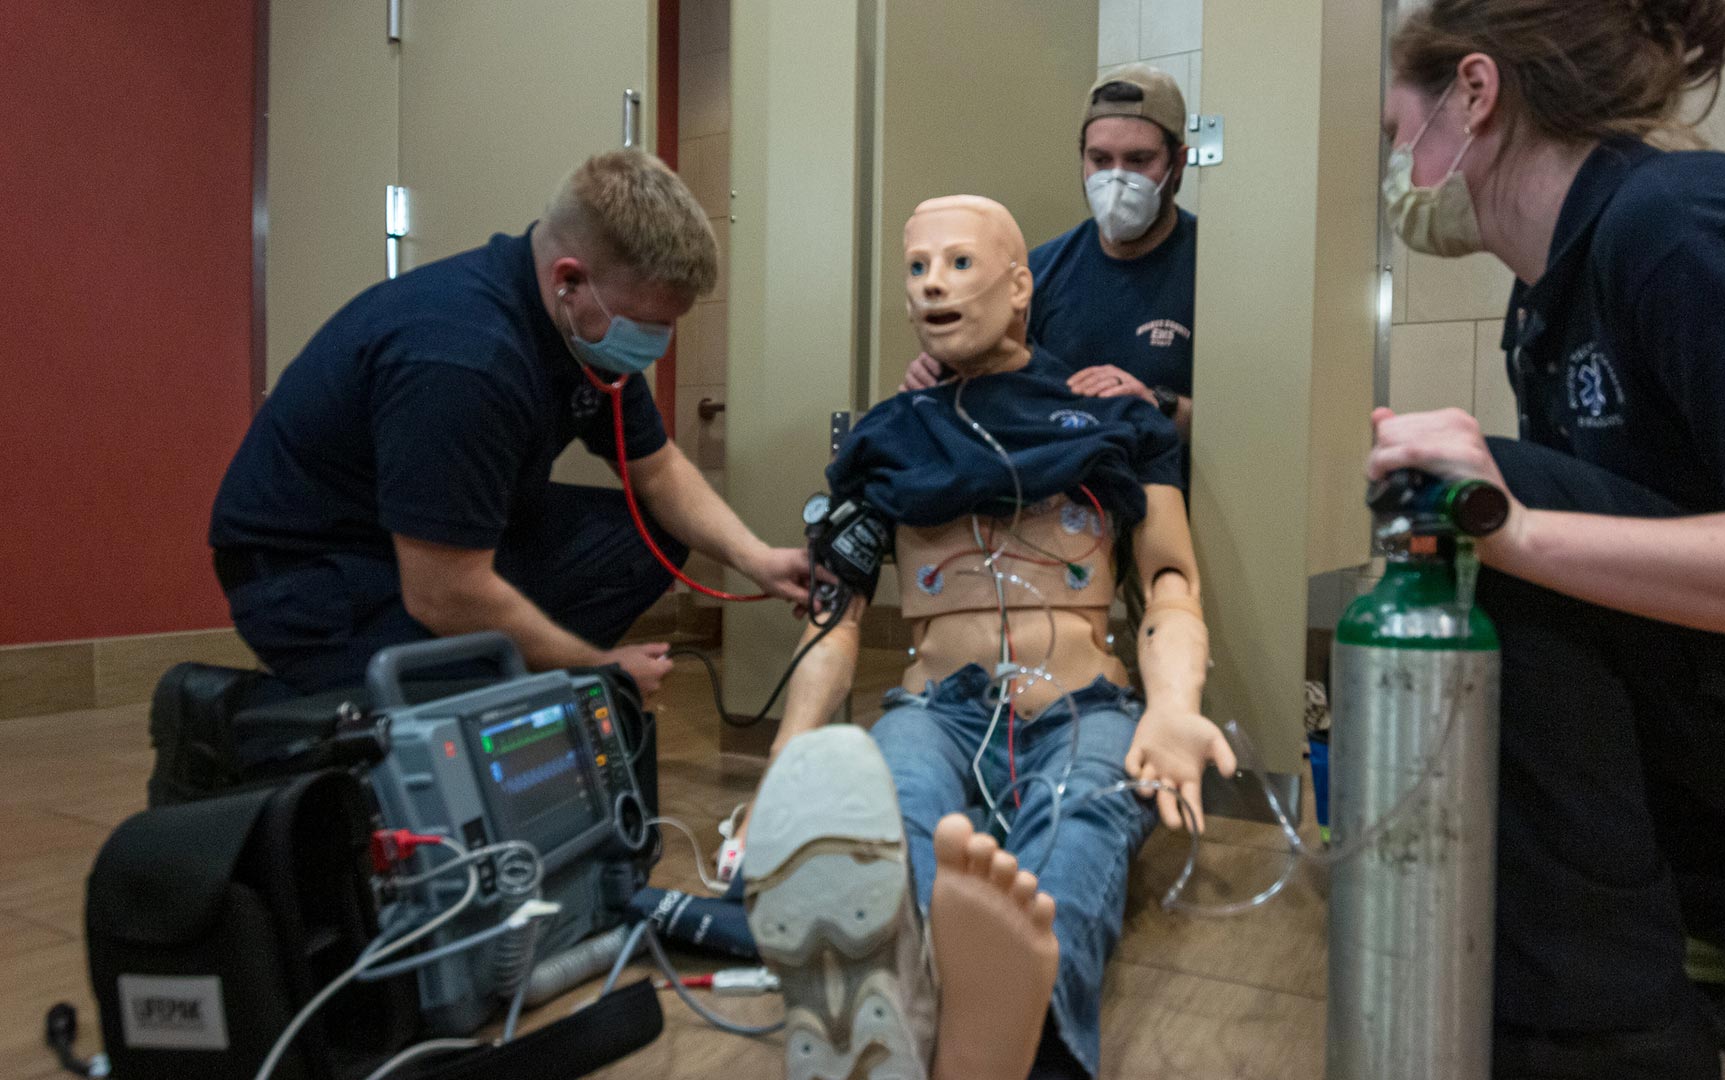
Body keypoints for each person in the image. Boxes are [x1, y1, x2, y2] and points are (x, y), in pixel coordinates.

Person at [1369, 1, 1725, 1076]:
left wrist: (1513, 527)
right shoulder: (1552, 301)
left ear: (1475, 94)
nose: (1399, 167)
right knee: (1532, 541)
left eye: (1401, 132)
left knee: (1500, 518)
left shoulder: (1676, 227)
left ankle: (1598, 1043)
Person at [737, 195, 1235, 1080]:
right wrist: (787, 759)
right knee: (893, 809)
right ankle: (955, 1009)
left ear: (1018, 286)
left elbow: (1170, 582)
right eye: (918, 267)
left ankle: (991, 1022)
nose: (934, 284)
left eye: (959, 263)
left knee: (1077, 822)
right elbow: (836, 614)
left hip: (1083, 704)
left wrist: (1173, 707)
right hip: (935, 707)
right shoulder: (887, 439)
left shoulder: (1115, 419)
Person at [209, 150, 808, 696]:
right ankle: (303, 709)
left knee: (643, 537)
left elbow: (658, 469)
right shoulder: (464, 358)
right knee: (460, 694)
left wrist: (757, 558)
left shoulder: (578, 332)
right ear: (568, 279)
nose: (656, 345)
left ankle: (504, 678)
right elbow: (444, 592)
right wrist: (596, 667)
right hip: (309, 578)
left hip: (430, 552)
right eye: (643, 322)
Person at [903, 65, 1197, 447]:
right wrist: (944, 373)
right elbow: (1000, 389)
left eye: (1139, 160)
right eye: (1100, 160)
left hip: (1171, 494)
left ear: (1178, 164)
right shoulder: (1038, 272)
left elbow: (1254, 425)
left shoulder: (1211, 270)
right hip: (1056, 495)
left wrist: (1159, 405)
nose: (1117, 179)